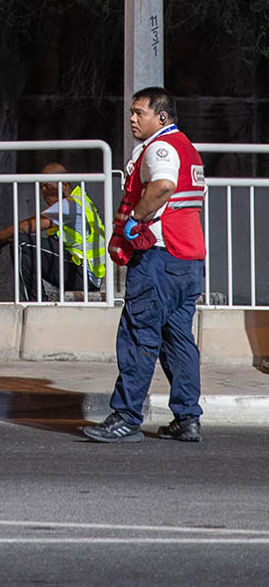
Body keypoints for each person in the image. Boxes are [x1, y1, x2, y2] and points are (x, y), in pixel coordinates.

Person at [83, 87, 206, 443]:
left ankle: (126, 417)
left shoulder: (160, 148)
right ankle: (187, 419)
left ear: (162, 117)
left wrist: (136, 218)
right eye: (131, 112)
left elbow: (163, 185)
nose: (132, 119)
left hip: (159, 259)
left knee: (138, 335)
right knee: (178, 341)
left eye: (140, 112)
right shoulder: (188, 148)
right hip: (187, 261)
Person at [0, 162, 107, 301]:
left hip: (83, 275)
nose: (43, 192)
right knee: (26, 243)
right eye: (41, 187)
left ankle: (36, 303)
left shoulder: (69, 205)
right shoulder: (78, 199)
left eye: (47, 186)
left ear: (63, 185)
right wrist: (3, 242)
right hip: (83, 272)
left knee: (22, 244)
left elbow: (26, 227)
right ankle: (38, 301)